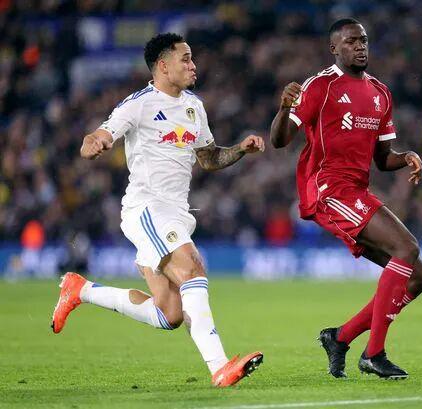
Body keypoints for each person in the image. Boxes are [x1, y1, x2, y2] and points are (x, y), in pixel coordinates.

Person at [51, 33, 265, 387]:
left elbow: (208, 158)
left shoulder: (194, 106)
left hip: (176, 212)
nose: (193, 65)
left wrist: (241, 149)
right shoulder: (139, 104)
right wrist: (94, 143)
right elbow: (100, 134)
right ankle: (220, 367)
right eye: (186, 58)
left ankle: (80, 289)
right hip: (147, 209)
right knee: (193, 267)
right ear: (163, 66)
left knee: (170, 313)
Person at [270, 18, 422, 379]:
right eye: (351, 41)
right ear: (334, 48)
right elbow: (279, 141)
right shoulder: (319, 86)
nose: (360, 46)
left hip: (357, 191)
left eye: (364, 40)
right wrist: (283, 108)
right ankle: (374, 354)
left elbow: (382, 158)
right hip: (327, 189)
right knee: (406, 248)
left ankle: (340, 337)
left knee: (418, 277)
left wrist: (406, 157)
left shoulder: (380, 93)